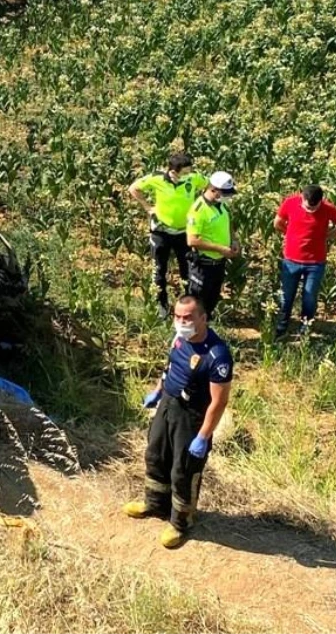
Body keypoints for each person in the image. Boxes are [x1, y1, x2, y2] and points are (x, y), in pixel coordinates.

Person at [124, 295, 233, 548]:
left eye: (188, 317)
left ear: (203, 318)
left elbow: (219, 402)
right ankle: (154, 504)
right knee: (156, 455)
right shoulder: (179, 339)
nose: (182, 322)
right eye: (178, 317)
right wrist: (158, 391)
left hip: (191, 415)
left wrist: (203, 437)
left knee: (183, 470)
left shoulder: (218, 355)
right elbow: (169, 368)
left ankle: (181, 522)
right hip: (167, 405)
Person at [129, 152, 209, 319]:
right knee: (159, 270)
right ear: (173, 171)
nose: (189, 175)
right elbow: (134, 188)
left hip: (184, 232)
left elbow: (208, 186)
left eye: (190, 171)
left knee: (187, 271)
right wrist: (147, 207)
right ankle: (161, 305)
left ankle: (188, 307)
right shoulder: (157, 178)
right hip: (161, 231)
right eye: (185, 172)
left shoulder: (194, 178)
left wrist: (201, 207)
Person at [273, 185, 336, 336]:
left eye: (315, 208)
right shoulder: (290, 203)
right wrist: (289, 234)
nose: (311, 210)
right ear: (302, 197)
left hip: (315, 262)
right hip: (291, 260)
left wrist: (328, 236)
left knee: (309, 296)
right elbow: (277, 223)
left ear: (321, 201)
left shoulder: (328, 208)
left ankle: (305, 327)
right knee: (286, 296)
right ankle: (281, 327)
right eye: (308, 207)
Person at [186, 172, 239, 315]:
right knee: (197, 302)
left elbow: (228, 224)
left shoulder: (221, 206)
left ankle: (206, 327)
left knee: (212, 298)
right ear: (213, 189)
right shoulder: (198, 210)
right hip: (203, 265)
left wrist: (233, 240)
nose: (227, 197)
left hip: (219, 263)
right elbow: (192, 240)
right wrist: (220, 248)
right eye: (225, 193)